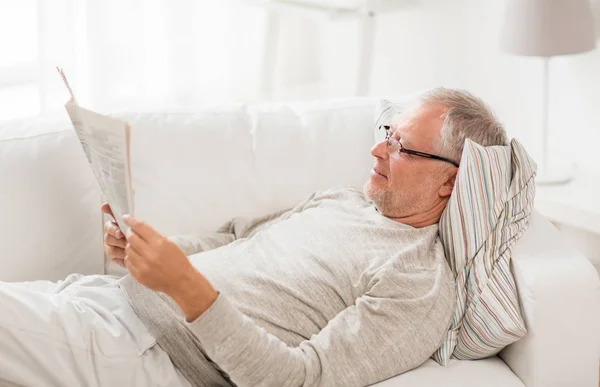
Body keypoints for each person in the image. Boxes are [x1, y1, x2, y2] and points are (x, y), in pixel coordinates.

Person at [0, 87, 508, 387]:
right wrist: (151, 253)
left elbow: (299, 380)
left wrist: (185, 289)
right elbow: (234, 239)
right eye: (386, 132)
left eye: (403, 147)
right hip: (104, 299)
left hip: (149, 354)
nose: (378, 149)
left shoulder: (417, 284)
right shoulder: (343, 200)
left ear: (450, 181)